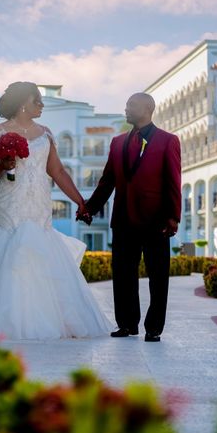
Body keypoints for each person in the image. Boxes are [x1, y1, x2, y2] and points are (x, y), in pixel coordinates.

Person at [0, 81, 114, 339]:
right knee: (8, 248)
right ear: (23, 104)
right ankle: (3, 320)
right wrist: (2, 164)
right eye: (37, 101)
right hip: (10, 201)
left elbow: (58, 171)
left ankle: (48, 319)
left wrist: (80, 201)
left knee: (41, 248)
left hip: (39, 201)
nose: (41, 105)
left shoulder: (46, 133)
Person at [84, 93, 181, 342]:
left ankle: (154, 328)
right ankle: (127, 324)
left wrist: (173, 217)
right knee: (123, 275)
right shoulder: (117, 143)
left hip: (156, 220)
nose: (126, 109)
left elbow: (173, 182)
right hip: (123, 219)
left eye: (132, 105)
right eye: (126, 104)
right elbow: (107, 182)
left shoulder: (168, 141)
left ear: (148, 108)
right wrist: (89, 208)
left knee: (158, 277)